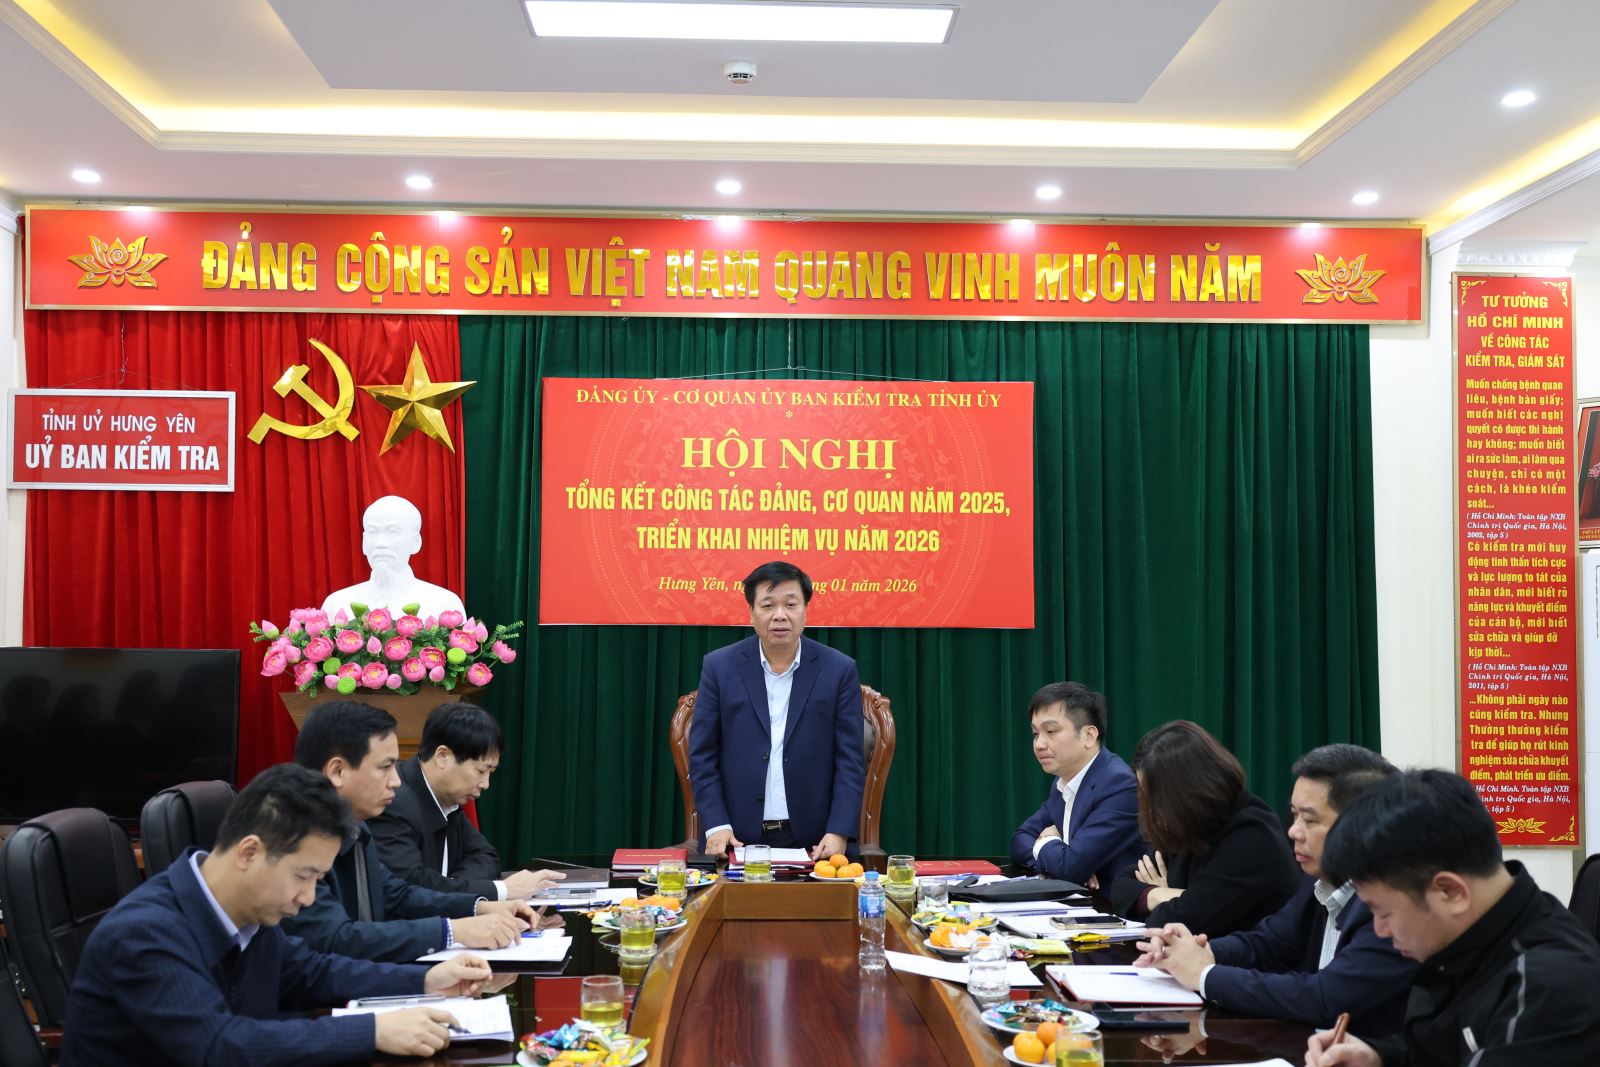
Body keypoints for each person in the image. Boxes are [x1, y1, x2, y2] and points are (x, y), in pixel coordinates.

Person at [62, 764, 493, 1066]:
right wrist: (373, 1031)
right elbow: (217, 1047)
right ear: (250, 852)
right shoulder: (145, 934)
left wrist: (424, 980)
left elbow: (309, 972)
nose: (308, 897)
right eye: (304, 876)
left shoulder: (247, 911)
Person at [1305, 769, 1600, 1067]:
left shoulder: (1547, 991)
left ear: (1450, 892)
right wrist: (1379, 1057)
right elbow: (1434, 1051)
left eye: (1384, 912)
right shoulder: (1469, 938)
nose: (1380, 930)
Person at [1135, 744, 1414, 1037]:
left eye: (1310, 820)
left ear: (1360, 825)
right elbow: (1268, 943)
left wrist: (1205, 975)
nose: (1293, 831)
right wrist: (1195, 951)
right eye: (1294, 815)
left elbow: (1325, 998)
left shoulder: (1390, 903)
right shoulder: (1318, 881)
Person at [282, 700, 536, 962]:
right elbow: (338, 941)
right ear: (338, 771)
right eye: (385, 767)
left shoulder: (355, 826)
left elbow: (399, 895)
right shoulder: (293, 837)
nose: (396, 781)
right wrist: (453, 931)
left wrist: (478, 907)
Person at [687, 560, 866, 861]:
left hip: (817, 841)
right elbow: (702, 754)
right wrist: (716, 824)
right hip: (734, 837)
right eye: (768, 605)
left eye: (790, 604)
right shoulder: (719, 667)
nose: (780, 615)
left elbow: (850, 760)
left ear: (805, 611)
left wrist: (839, 832)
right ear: (752, 613)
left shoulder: (839, 670)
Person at [1106, 720, 1299, 936]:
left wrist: (1164, 901)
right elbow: (1120, 888)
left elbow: (1171, 923)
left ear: (1185, 791)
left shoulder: (1251, 837)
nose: (1150, 808)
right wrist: (1165, 894)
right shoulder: (1189, 825)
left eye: (1155, 797)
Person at [371, 701, 565, 899]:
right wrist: (501, 890)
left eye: (491, 772)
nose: (485, 784)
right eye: (480, 771)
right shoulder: (391, 801)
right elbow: (410, 887)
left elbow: (486, 856)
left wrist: (452, 888)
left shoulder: (448, 799)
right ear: (442, 756)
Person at [1008, 681, 1144, 889]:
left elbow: (1070, 867)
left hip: (1114, 906)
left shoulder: (1119, 785)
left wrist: (1048, 844)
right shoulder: (1063, 781)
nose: (1039, 744)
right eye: (1035, 734)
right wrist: (1059, 861)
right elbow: (1019, 840)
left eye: (1051, 731)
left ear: (1089, 736)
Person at [321, 495, 465, 620]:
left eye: (392, 532)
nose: (380, 543)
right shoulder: (337, 604)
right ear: (364, 542)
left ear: (416, 542)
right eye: (373, 532)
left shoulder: (444, 604)